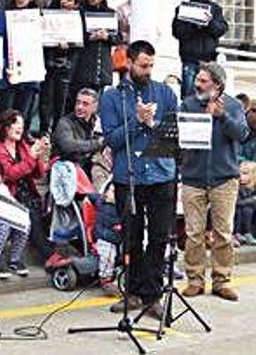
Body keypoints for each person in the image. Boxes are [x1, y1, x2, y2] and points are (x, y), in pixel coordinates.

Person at [99, 40, 178, 319]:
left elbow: (172, 135)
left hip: (161, 175)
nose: (148, 70)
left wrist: (152, 124)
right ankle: (132, 291)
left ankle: (152, 295)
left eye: (151, 66)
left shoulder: (166, 92)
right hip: (128, 177)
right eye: (143, 65)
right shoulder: (111, 97)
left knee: (158, 238)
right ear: (129, 63)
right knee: (131, 237)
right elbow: (111, 139)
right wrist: (136, 121)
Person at [179, 62, 250, 301]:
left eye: (202, 81)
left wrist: (223, 117)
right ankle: (195, 280)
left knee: (223, 233)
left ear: (217, 85)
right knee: (193, 233)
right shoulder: (188, 104)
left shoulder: (233, 105)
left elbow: (242, 134)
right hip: (193, 178)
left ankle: (222, 280)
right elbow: (180, 138)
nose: (196, 84)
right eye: (197, 79)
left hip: (224, 179)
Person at [0, 109, 53, 262]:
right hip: (5, 195)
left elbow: (38, 174)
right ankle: (50, 256)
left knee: (49, 211)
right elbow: (9, 174)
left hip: (28, 193)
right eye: (16, 123)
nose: (20, 127)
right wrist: (31, 157)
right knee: (30, 216)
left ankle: (54, 252)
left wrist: (38, 154)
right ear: (5, 126)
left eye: (22, 124)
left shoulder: (22, 145)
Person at [0, 0, 42, 126]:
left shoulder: (38, 18)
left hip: (28, 74)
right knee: (4, 118)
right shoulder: (4, 16)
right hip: (7, 73)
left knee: (21, 118)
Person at [172, 0, 229, 98]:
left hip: (209, 60)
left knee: (208, 96)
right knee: (189, 94)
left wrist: (209, 22)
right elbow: (177, 32)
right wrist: (194, 24)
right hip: (190, 59)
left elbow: (222, 29)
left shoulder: (216, 9)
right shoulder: (184, 9)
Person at [38, 0, 81, 134]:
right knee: (46, 98)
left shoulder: (77, 18)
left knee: (61, 99)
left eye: (69, 0)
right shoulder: (52, 16)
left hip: (67, 64)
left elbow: (80, 41)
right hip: (49, 62)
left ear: (75, 4)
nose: (65, 3)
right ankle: (44, 129)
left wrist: (70, 45)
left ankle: (58, 131)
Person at [70, 0, 119, 100]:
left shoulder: (110, 13)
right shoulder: (80, 12)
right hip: (84, 64)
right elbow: (74, 35)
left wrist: (107, 37)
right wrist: (90, 37)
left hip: (102, 64)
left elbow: (118, 37)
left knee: (97, 100)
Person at [52, 87, 105, 177]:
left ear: (95, 107)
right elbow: (68, 146)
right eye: (78, 102)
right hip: (66, 171)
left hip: (89, 171)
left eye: (85, 104)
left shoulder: (99, 123)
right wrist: (97, 143)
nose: (79, 107)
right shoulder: (64, 122)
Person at [235, 162, 256, 245]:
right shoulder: (237, 187)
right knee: (244, 209)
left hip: (252, 217)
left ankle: (247, 233)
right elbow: (238, 202)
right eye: (239, 173)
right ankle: (240, 233)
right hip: (240, 213)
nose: (241, 176)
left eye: (245, 173)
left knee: (248, 208)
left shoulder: (254, 187)